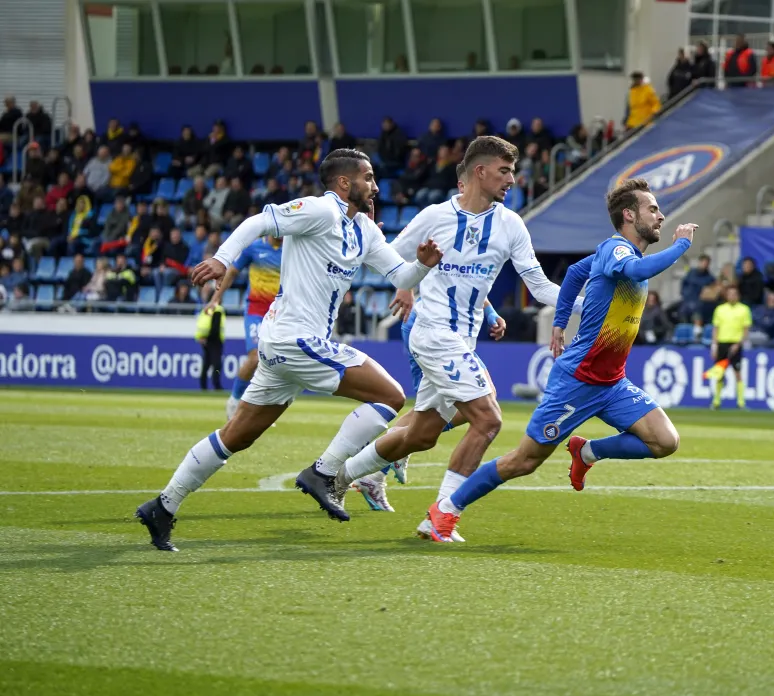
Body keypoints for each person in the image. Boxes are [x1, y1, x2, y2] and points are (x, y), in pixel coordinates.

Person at [133, 148, 444, 552]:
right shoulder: (320, 210)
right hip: (295, 339)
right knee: (390, 396)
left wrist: (422, 264)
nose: (375, 186)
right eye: (367, 177)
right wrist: (223, 259)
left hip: (287, 345)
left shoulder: (364, 230)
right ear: (344, 182)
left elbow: (401, 276)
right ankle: (324, 473)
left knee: (235, 436)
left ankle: (162, 506)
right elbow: (258, 221)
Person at [332, 136, 579, 539]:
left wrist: (588, 303)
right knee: (488, 419)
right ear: (479, 172)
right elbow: (390, 257)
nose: (512, 180)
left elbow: (539, 287)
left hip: (463, 340)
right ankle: (441, 517)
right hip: (433, 332)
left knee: (421, 435)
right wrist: (399, 275)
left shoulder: (511, 225)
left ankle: (340, 476)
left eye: (512, 172)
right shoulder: (435, 216)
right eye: (504, 171)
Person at [418, 180, 694, 542]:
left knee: (664, 441)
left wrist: (560, 322)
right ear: (629, 215)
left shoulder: (618, 255)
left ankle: (587, 451)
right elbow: (637, 273)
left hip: (611, 383)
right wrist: (681, 244)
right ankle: (445, 510)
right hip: (577, 382)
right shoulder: (617, 250)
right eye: (652, 209)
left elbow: (576, 273)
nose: (660, 216)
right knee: (524, 461)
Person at [205, 234, 282, 420]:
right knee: (255, 357)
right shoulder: (253, 248)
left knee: (276, 363)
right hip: (256, 310)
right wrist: (215, 298)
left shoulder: (292, 249)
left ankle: (260, 409)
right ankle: (234, 400)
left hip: (279, 314)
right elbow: (232, 272)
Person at [707, 285, 752, 410]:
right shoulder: (720, 309)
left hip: (735, 343)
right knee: (719, 373)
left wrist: (738, 344)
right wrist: (714, 345)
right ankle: (716, 401)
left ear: (738, 296)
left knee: (737, 372)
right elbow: (716, 328)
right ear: (726, 296)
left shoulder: (744, 310)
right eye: (730, 294)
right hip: (722, 343)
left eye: (734, 294)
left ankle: (741, 402)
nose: (732, 296)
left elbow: (746, 330)